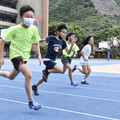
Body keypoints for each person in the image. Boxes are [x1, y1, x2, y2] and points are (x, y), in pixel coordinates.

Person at [0, 5, 42, 110]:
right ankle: (31, 102)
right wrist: (1, 57)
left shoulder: (34, 29)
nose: (30, 19)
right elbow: (2, 40)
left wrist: (39, 55)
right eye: (27, 16)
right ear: (21, 18)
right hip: (15, 56)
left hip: (25, 57)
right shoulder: (14, 29)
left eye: (32, 17)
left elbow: (36, 43)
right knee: (29, 75)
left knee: (11, 76)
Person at [32, 24, 76, 95]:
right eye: (63, 32)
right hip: (47, 59)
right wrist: (33, 41)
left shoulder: (63, 42)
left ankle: (35, 86)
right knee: (62, 70)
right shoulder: (52, 38)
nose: (64, 34)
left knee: (45, 78)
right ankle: (46, 71)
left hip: (52, 61)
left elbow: (68, 52)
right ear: (58, 32)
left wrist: (72, 45)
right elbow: (42, 40)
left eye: (65, 33)